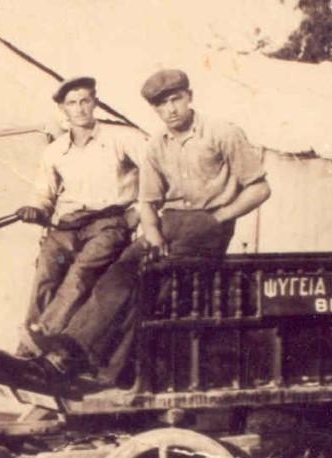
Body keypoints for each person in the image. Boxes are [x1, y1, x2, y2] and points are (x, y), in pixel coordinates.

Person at [36, 68, 271, 385]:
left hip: (208, 223)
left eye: (176, 100)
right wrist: (154, 232)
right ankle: (71, 355)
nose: (170, 110)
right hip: (166, 223)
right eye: (161, 105)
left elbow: (259, 189)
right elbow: (147, 201)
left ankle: (94, 366)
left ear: (189, 97)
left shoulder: (222, 133)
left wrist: (218, 218)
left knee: (150, 287)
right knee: (116, 276)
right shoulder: (157, 144)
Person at [14, 76, 146, 357]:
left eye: (85, 100)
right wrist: (35, 209)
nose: (80, 108)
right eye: (72, 103)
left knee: (80, 273)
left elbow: (157, 173)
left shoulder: (122, 139)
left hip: (108, 224)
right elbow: (43, 194)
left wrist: (138, 212)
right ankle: (30, 349)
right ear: (63, 109)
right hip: (67, 226)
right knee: (46, 271)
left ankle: (39, 341)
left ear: (95, 102)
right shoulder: (55, 151)